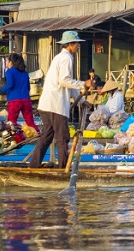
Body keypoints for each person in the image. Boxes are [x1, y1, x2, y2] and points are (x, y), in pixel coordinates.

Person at [29, 31, 88, 168]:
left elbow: (68, 85)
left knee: (47, 136)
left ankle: (34, 165)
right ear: (70, 45)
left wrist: (81, 100)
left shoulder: (61, 57)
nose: (78, 46)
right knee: (62, 138)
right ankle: (63, 168)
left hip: (47, 104)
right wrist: (84, 84)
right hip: (56, 105)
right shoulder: (66, 58)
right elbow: (64, 81)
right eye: (77, 44)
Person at [0, 53, 38, 130]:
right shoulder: (25, 73)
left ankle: (14, 139)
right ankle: (39, 136)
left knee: (11, 122)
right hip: (26, 100)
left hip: (15, 101)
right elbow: (28, 87)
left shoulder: (9, 72)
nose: (7, 63)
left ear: (11, 62)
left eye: (7, 61)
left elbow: (10, 84)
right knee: (30, 123)